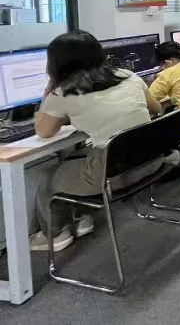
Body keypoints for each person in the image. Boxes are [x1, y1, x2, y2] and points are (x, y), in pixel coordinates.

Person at [30, 31, 165, 252]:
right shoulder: (128, 76)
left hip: (113, 176)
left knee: (49, 176)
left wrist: (49, 91)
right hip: (151, 161)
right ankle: (81, 220)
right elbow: (156, 108)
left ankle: (54, 235)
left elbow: (43, 132)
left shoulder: (62, 93)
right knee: (77, 158)